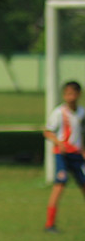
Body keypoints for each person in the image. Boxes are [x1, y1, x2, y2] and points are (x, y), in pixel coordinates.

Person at [43, 80, 85, 232]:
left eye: (73, 94)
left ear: (79, 94)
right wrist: (58, 142)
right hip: (62, 155)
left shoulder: (82, 113)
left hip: (77, 155)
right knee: (59, 186)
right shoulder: (59, 113)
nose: (70, 97)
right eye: (67, 94)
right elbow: (47, 131)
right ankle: (49, 224)